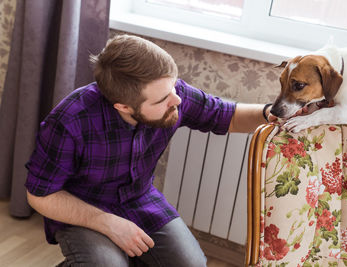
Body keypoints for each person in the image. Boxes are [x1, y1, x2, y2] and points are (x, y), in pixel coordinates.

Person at [25, 34, 275, 267]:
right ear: (123, 106)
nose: (177, 100)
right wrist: (106, 222)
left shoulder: (172, 95)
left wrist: (274, 113)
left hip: (139, 199)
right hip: (83, 207)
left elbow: (228, 116)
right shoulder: (69, 121)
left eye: (174, 88)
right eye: (162, 99)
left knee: (192, 264)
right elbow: (40, 195)